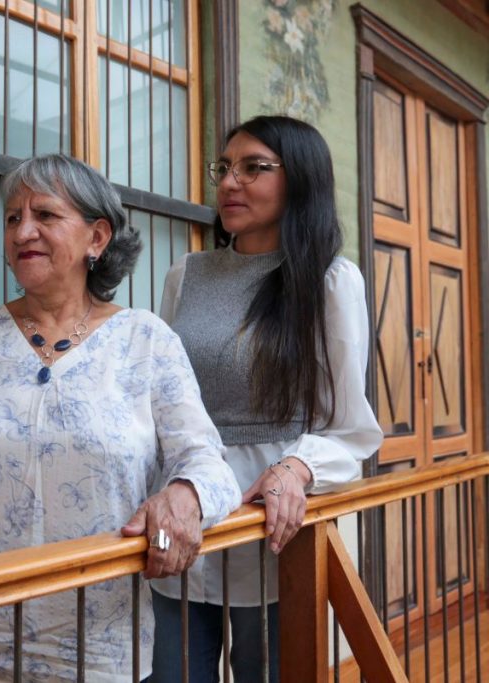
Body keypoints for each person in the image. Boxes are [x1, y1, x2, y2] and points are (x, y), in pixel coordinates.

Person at [0, 154, 241, 683]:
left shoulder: (145, 341)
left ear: (97, 238)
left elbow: (206, 459)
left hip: (96, 650)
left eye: (45, 215)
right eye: (12, 217)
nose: (24, 231)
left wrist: (183, 494)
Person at [149, 115, 384, 683]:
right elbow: (159, 391)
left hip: (270, 513)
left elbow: (350, 426)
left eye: (254, 168)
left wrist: (296, 468)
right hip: (179, 502)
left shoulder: (328, 279)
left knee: (267, 671)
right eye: (225, 167)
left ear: (299, 180)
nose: (231, 182)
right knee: (171, 669)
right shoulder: (186, 273)